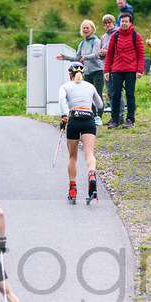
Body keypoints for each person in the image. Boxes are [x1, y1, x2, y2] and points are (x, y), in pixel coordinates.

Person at [59, 63, 104, 204]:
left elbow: (61, 100)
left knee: (73, 157)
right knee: (89, 154)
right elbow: (100, 105)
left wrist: (64, 116)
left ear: (70, 75)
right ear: (83, 74)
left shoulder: (65, 86)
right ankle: (91, 175)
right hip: (88, 119)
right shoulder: (90, 86)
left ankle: (72, 189)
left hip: (74, 119)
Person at [56, 20, 103, 124]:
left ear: (92, 29)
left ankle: (99, 116)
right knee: (89, 94)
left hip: (97, 71)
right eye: (84, 28)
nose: (85, 30)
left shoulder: (96, 41)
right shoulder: (82, 43)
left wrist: (85, 57)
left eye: (87, 28)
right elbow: (77, 57)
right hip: (87, 72)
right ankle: (92, 115)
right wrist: (65, 57)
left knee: (97, 93)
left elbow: (96, 54)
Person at [103, 12, 144, 129]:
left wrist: (139, 70)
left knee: (130, 94)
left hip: (131, 70)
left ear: (130, 23)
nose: (124, 23)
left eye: (126, 21)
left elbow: (141, 54)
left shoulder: (136, 36)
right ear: (119, 23)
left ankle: (130, 119)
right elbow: (109, 54)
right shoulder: (114, 36)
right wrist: (106, 70)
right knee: (115, 94)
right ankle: (115, 120)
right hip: (116, 70)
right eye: (122, 21)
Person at [97, 15, 120, 117]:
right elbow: (100, 54)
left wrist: (107, 52)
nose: (107, 24)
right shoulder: (103, 37)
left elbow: (120, 50)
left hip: (116, 67)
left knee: (117, 92)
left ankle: (120, 115)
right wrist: (101, 53)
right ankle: (114, 116)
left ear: (113, 23)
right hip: (106, 68)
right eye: (105, 23)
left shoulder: (118, 33)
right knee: (110, 93)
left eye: (109, 22)